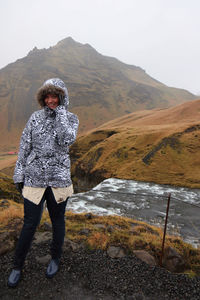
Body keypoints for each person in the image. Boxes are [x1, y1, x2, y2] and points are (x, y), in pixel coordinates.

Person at [8, 78, 79, 287]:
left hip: (59, 180)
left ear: (62, 97)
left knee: (58, 221)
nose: (50, 100)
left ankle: (55, 258)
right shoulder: (35, 118)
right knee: (29, 224)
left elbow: (66, 139)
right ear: (43, 97)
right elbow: (24, 146)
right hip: (34, 178)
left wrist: (61, 114)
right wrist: (19, 174)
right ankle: (17, 265)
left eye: (55, 96)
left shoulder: (71, 119)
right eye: (47, 96)